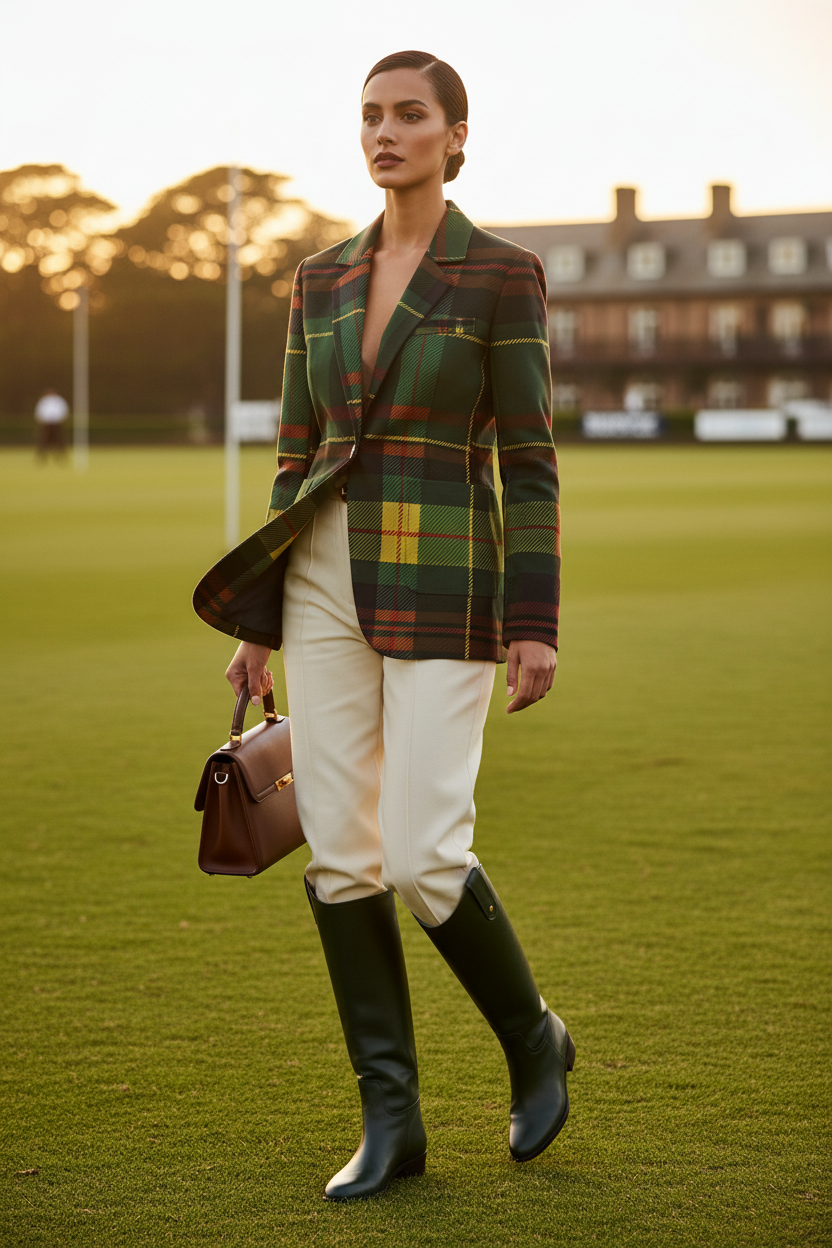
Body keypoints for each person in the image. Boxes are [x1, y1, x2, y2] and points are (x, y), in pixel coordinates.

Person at [193, 49, 572, 1201]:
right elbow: (296, 454)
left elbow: (529, 459)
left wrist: (534, 619)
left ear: (456, 136)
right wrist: (258, 616)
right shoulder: (319, 279)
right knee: (344, 854)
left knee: (420, 851)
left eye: (410, 116)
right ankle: (391, 1121)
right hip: (317, 581)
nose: (386, 133)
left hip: (449, 582)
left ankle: (532, 1039)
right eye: (371, 116)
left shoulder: (502, 275)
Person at [34, 388, 70, 458]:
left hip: (57, 423)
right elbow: (39, 412)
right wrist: (41, 420)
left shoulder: (59, 401)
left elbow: (64, 410)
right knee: (44, 440)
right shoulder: (43, 401)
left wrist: (62, 419)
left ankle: (61, 454)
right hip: (46, 423)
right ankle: (42, 455)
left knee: (59, 439)